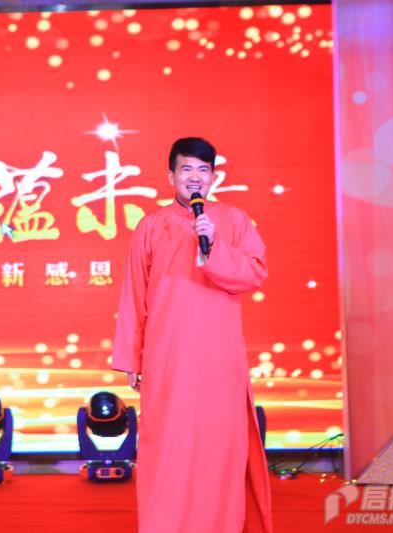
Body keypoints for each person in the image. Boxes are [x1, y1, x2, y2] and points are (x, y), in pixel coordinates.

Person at [112, 137, 273, 532]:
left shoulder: (233, 220)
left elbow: (253, 274)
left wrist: (214, 244)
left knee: (219, 450)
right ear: (171, 176)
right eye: (187, 169)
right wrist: (132, 356)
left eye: (203, 170)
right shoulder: (151, 225)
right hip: (167, 358)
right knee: (167, 449)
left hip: (220, 360)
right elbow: (134, 292)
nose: (195, 177)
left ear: (214, 177)